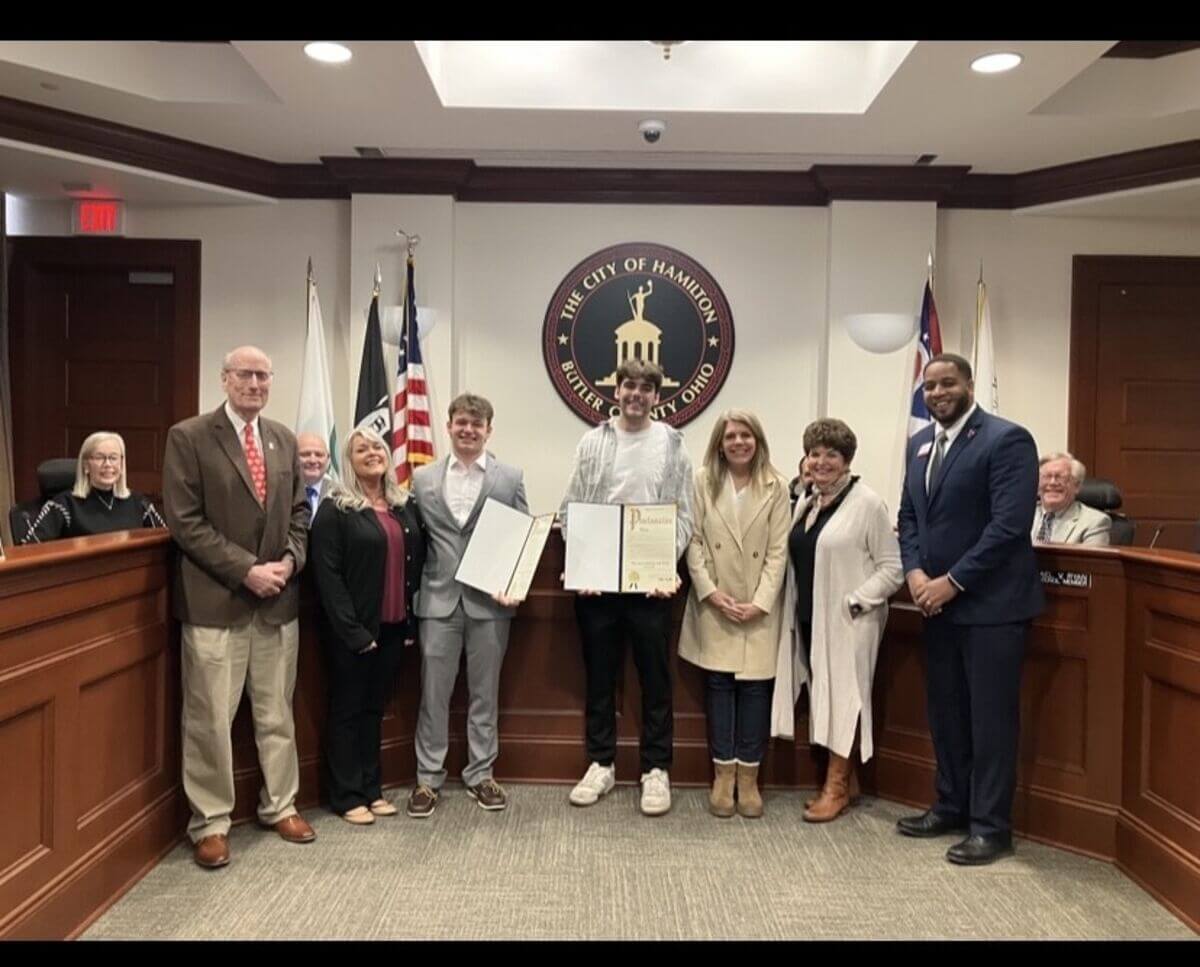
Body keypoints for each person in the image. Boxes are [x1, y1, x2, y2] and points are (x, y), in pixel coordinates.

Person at [162, 346, 315, 869]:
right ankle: (210, 822)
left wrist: (289, 563)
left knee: (277, 714)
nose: (255, 383)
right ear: (224, 379)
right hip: (216, 603)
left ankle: (281, 805)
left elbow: (300, 514)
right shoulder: (189, 437)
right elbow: (186, 523)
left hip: (277, 603)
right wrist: (247, 569)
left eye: (263, 376)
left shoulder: (283, 439)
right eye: (245, 374)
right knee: (209, 719)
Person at [896, 353, 1043, 865]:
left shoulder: (1007, 440)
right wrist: (915, 574)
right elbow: (909, 517)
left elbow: (1008, 527)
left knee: (990, 723)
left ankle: (991, 827)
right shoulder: (919, 444)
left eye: (948, 384)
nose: (938, 393)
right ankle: (951, 806)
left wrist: (952, 582)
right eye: (930, 386)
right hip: (936, 606)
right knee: (948, 716)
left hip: (991, 609)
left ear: (970, 385)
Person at [560, 358, 693, 816]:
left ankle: (656, 769)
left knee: (656, 679)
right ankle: (601, 764)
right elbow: (572, 507)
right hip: (597, 586)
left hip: (650, 586)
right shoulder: (592, 442)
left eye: (645, 388)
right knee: (600, 677)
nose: (636, 394)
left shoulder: (672, 444)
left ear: (656, 395)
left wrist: (664, 567)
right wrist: (581, 566)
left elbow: (685, 512)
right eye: (629, 386)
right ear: (616, 391)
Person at [769, 419, 903, 822]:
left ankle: (837, 787)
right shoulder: (810, 501)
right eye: (814, 454)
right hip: (811, 617)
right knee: (823, 698)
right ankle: (849, 781)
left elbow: (893, 568)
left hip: (850, 621)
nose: (821, 461)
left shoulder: (867, 504)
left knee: (846, 700)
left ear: (847, 460)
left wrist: (856, 601)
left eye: (831, 454)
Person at [407, 394, 528, 817]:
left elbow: (522, 537)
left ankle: (480, 774)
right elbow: (413, 538)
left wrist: (514, 584)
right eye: (461, 422)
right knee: (433, 695)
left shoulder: (509, 477)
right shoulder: (422, 478)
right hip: (437, 601)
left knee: (484, 694)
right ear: (449, 426)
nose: (468, 430)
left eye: (477, 424)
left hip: (490, 604)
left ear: (488, 430)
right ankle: (427, 779)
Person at [310, 428, 425, 825]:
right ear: (349, 460)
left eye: (378, 446)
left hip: (393, 627)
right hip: (353, 632)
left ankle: (372, 789)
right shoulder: (335, 510)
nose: (373, 453)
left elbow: (415, 566)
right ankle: (346, 795)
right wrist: (354, 632)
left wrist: (408, 623)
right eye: (362, 449)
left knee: (374, 710)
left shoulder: (402, 506)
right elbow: (328, 578)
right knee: (347, 711)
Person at [679, 410, 790, 818]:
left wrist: (761, 601)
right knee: (720, 685)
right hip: (716, 601)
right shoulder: (701, 481)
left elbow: (778, 551)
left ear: (758, 441)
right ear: (720, 444)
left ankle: (749, 777)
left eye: (746, 435)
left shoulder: (777, 486)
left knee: (756, 690)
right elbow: (692, 540)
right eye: (731, 437)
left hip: (758, 607)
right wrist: (709, 592)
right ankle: (723, 776)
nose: (739, 442)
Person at [20, 431, 165, 543]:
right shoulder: (64, 505)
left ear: (122, 464)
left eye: (113, 458)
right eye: (100, 457)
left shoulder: (139, 503)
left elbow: (165, 541)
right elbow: (30, 547)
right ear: (85, 465)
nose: (107, 464)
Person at [1032, 452, 1111, 546]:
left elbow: (1092, 556)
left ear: (1077, 486)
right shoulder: (1021, 513)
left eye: (1060, 477)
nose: (1052, 482)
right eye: (1046, 477)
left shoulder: (1095, 522)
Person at [297, 431, 334, 526]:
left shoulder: (339, 494)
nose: (313, 460)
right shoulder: (282, 491)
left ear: (328, 459)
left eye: (319, 455)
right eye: (305, 454)